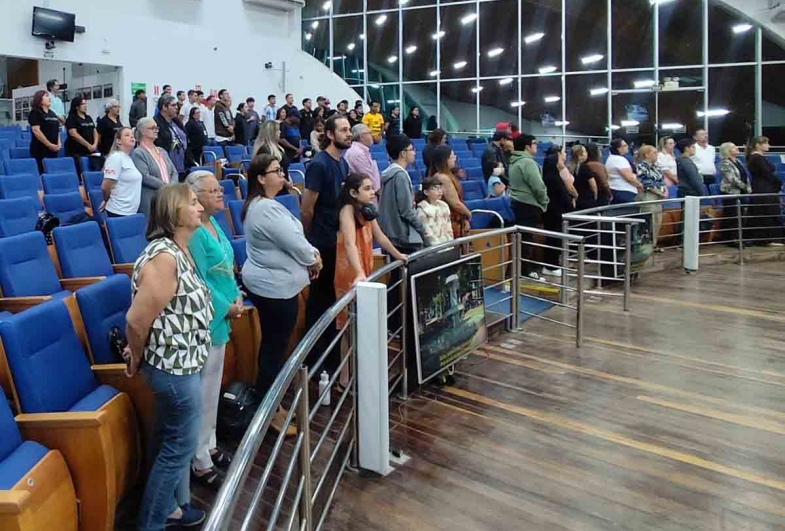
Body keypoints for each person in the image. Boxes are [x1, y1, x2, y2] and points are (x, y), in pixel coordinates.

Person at [124, 184, 212, 530]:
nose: (200, 208)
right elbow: (136, 320)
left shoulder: (179, 250)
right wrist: (135, 356)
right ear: (174, 212)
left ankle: (172, 508)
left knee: (167, 439)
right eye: (193, 203)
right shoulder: (164, 257)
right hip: (173, 369)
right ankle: (151, 523)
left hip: (184, 362)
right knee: (180, 446)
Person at [241, 154, 321, 434]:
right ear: (261, 178)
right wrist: (314, 259)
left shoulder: (263, 205)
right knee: (274, 351)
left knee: (273, 349)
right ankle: (269, 410)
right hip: (274, 289)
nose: (282, 174)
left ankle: (270, 404)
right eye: (276, 171)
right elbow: (296, 244)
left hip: (273, 285)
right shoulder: (265, 209)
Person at [185, 171, 243, 488]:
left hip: (222, 313)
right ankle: (199, 460)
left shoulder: (214, 223)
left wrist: (236, 295)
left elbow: (225, 268)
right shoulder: (195, 232)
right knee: (203, 392)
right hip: (208, 317)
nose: (221, 193)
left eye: (220, 189)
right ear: (195, 196)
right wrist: (227, 305)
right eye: (213, 190)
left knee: (212, 389)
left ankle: (209, 444)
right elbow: (200, 279)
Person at [334, 173, 406, 379]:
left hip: (364, 271)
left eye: (372, 187)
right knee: (348, 328)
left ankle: (359, 374)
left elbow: (380, 237)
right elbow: (349, 244)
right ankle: (345, 378)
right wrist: (358, 272)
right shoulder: (347, 211)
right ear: (353, 192)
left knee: (360, 327)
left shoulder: (367, 210)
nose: (373, 192)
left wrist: (399, 255)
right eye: (367, 189)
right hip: (349, 274)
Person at [302, 115, 352, 375]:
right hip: (322, 242)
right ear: (330, 135)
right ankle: (313, 362)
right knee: (319, 303)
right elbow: (307, 209)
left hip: (337, 241)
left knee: (333, 300)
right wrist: (311, 241)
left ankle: (331, 360)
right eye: (343, 130)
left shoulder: (342, 163)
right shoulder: (319, 164)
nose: (348, 133)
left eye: (349, 129)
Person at [379, 134, 428, 252]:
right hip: (402, 236)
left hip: (392, 233)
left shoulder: (390, 173)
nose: (414, 153)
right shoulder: (400, 176)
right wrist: (422, 229)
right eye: (411, 149)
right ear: (403, 153)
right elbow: (406, 210)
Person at [509, 134, 548, 279]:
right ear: (527, 147)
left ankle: (523, 269)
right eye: (534, 143)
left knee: (524, 238)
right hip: (528, 204)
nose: (536, 146)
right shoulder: (527, 162)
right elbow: (538, 186)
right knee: (526, 239)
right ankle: (525, 271)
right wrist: (544, 202)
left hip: (518, 203)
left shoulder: (514, 161)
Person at [132, 117, 179, 217]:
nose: (156, 130)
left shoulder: (162, 151)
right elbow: (145, 176)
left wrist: (172, 187)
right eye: (152, 128)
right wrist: (166, 187)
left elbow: (174, 171)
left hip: (168, 197)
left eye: (156, 128)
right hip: (152, 199)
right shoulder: (138, 153)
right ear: (143, 131)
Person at [541, 148, 575, 276]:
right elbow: (561, 194)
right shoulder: (552, 178)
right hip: (553, 213)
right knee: (553, 239)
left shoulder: (553, 176)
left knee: (556, 239)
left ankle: (554, 264)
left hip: (555, 212)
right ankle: (551, 266)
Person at [746, 136, 784, 246]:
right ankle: (767, 239)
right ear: (758, 145)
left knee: (770, 211)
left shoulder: (759, 157)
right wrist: (778, 183)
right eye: (766, 143)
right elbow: (766, 173)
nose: (769, 146)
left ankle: (771, 238)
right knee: (766, 212)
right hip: (763, 188)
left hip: (765, 186)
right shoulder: (756, 158)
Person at [429, 145, 472, 239]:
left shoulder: (447, 175)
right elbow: (456, 204)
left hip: (456, 219)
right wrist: (468, 214)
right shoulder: (442, 178)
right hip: (449, 222)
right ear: (446, 160)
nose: (455, 158)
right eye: (452, 156)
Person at [101, 127, 143, 217]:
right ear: (118, 141)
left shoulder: (128, 158)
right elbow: (105, 186)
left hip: (130, 211)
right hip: (118, 210)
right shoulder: (116, 157)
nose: (132, 137)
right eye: (127, 135)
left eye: (132, 135)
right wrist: (106, 200)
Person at [718, 142, 751, 246]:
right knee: (732, 215)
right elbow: (732, 179)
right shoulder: (724, 163)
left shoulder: (738, 161)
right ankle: (729, 239)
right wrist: (745, 187)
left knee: (740, 215)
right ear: (727, 150)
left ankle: (738, 237)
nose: (736, 148)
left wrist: (748, 186)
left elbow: (744, 175)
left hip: (741, 192)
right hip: (730, 192)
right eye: (733, 147)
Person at [636, 145, 667, 248]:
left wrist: (665, 190)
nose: (656, 154)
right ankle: (646, 246)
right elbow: (645, 183)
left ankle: (654, 244)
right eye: (654, 152)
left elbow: (662, 180)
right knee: (650, 221)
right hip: (648, 195)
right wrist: (659, 192)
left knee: (658, 220)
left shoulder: (656, 166)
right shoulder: (641, 166)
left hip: (659, 196)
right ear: (647, 155)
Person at [154, 93, 190, 180]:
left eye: (176, 105)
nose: (176, 108)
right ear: (164, 107)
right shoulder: (155, 123)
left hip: (182, 164)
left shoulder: (177, 122)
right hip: (167, 166)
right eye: (173, 105)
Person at [28, 90, 61, 174]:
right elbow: (36, 130)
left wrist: (59, 143)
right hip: (40, 149)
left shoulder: (52, 113)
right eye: (46, 96)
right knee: (43, 172)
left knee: (53, 172)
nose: (49, 98)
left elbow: (57, 129)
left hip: (53, 149)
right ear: (40, 100)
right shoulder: (35, 112)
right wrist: (49, 144)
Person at [64, 96, 99, 174]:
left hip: (90, 150)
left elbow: (95, 131)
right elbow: (73, 134)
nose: (85, 106)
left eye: (85, 104)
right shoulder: (72, 118)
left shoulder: (88, 117)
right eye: (83, 104)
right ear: (77, 106)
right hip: (77, 151)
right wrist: (88, 145)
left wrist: (95, 144)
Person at [344, 124, 381, 196]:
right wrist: (377, 191)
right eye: (369, 133)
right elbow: (367, 176)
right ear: (361, 137)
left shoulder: (361, 151)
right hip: (365, 195)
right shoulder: (357, 153)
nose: (372, 135)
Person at [416, 176, 454, 246]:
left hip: (447, 244)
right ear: (426, 192)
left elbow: (449, 228)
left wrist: (450, 243)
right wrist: (438, 247)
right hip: (434, 247)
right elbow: (427, 233)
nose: (439, 191)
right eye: (435, 188)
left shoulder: (444, 205)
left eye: (440, 188)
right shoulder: (422, 209)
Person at [253, 120, 291, 184]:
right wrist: (286, 183)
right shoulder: (264, 150)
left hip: (282, 184)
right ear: (271, 133)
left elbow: (284, 169)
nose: (280, 132)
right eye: (278, 130)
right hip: (273, 186)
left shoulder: (279, 148)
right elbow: (270, 173)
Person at [606, 138, 642, 204]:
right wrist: (639, 185)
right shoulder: (619, 159)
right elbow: (629, 178)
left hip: (617, 190)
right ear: (618, 148)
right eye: (625, 145)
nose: (627, 147)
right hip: (624, 191)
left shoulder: (612, 158)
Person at [584, 143, 612, 207]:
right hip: (598, 195)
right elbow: (604, 183)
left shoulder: (582, 164)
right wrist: (609, 194)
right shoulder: (597, 166)